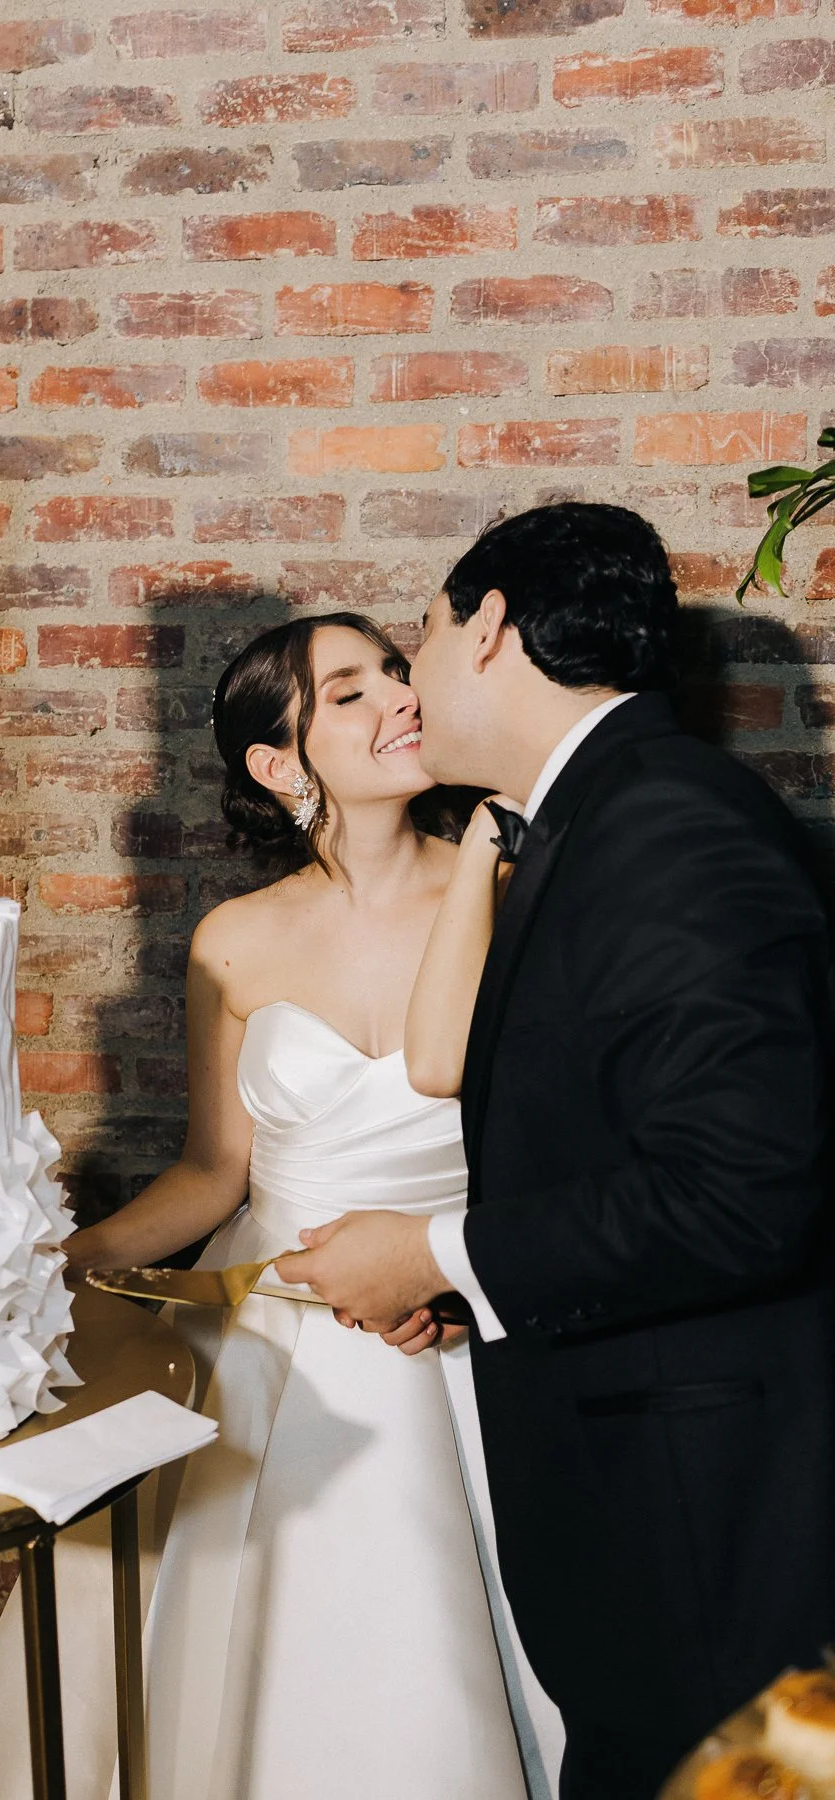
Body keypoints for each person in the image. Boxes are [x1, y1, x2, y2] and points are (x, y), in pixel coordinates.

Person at [0, 611, 563, 1800]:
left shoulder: (515, 886)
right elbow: (215, 1176)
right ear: (280, 767)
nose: (400, 697)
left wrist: (462, 1280)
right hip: (267, 1332)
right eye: (349, 692)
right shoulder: (236, 940)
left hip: (465, 1313)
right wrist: (47, 1264)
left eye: (394, 669)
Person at [279, 503, 835, 1799]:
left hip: (712, 1519)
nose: (412, 681)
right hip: (656, 1473)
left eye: (419, 638)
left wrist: (430, 1246)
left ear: (491, 627)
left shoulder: (670, 831)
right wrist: (471, 1290)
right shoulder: (598, 816)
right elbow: (618, 1143)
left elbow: (743, 1194)